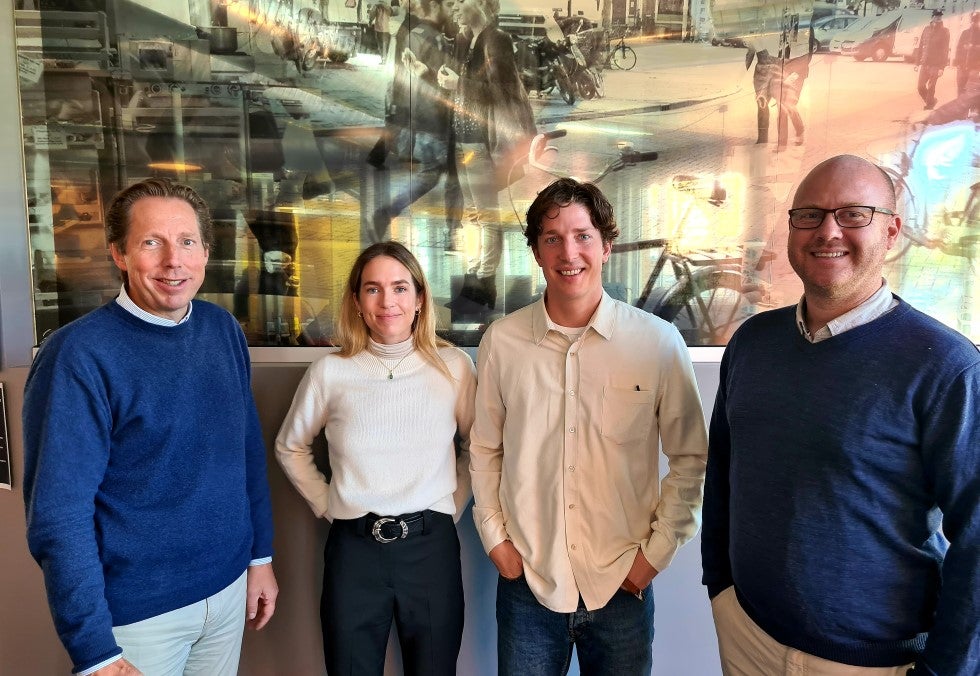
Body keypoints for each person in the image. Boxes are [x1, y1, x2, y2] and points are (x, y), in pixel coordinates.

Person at [702, 154, 980, 675]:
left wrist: (947, 669)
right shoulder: (753, 342)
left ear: (891, 231)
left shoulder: (945, 366)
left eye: (854, 214)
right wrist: (719, 585)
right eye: (809, 214)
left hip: (871, 662)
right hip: (747, 636)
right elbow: (723, 471)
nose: (828, 231)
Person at [22, 178, 278, 676]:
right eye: (151, 243)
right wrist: (95, 651)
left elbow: (245, 454)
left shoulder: (222, 330)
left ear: (206, 252)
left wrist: (259, 558)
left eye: (187, 242)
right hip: (139, 617)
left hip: (228, 592)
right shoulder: (78, 356)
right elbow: (59, 515)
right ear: (119, 253)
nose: (173, 261)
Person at [469, 178, 709, 675]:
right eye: (552, 238)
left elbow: (692, 459)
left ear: (606, 246)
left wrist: (653, 557)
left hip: (622, 582)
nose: (568, 252)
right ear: (537, 251)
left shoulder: (656, 343)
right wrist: (496, 540)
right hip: (528, 582)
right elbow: (486, 449)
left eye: (582, 236)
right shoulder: (502, 343)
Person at [275, 241, 475, 676]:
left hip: (431, 549)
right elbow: (290, 446)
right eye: (373, 289)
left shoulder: (454, 367)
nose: (388, 302)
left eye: (400, 288)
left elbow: (478, 446)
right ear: (357, 301)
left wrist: (450, 505)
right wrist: (328, 503)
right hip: (355, 552)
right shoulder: (330, 372)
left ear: (420, 299)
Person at [439, 0, 536, 318]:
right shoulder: (469, 39)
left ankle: (484, 286)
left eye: (459, 1)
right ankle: (472, 284)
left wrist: (459, 84)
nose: (453, 7)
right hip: (465, 140)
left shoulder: (496, 40)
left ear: (480, 3)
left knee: (486, 216)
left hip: (482, 142)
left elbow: (501, 92)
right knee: (472, 215)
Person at [373, 0, 463, 249]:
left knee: (448, 177)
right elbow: (434, 83)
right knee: (437, 177)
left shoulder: (416, 34)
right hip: (436, 122)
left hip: (428, 120)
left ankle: (452, 231)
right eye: (449, 5)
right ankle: (392, 211)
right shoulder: (431, 38)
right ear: (435, 6)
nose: (452, 11)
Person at [916, 10, 950, 110]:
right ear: (932, 17)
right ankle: (931, 101)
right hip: (925, 63)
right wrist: (917, 62)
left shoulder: (945, 31)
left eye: (940, 16)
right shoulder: (926, 29)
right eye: (936, 16)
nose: (938, 18)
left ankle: (929, 106)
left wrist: (942, 67)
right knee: (920, 87)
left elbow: (945, 50)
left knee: (931, 87)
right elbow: (921, 45)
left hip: (936, 64)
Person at [953, 11, 980, 97]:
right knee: (960, 87)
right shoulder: (965, 33)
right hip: (962, 65)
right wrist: (957, 63)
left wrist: (973, 47)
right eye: (972, 20)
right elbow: (958, 48)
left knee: (971, 89)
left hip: (974, 66)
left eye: (976, 20)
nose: (973, 23)